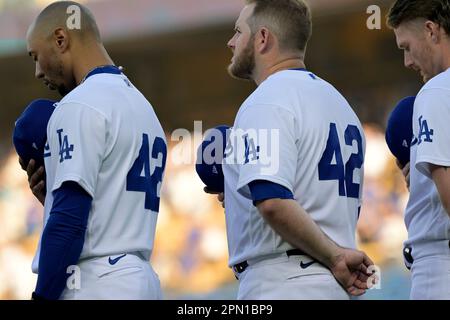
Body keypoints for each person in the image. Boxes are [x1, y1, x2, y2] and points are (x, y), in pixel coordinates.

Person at [206, 0, 374, 299]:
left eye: (238, 32)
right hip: (333, 281)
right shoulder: (339, 103)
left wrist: (334, 257)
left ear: (262, 38)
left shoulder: (268, 99)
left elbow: (272, 200)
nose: (231, 42)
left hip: (285, 281)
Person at [23, 1, 167, 299]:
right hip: (138, 278)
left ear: (61, 39)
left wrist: (42, 296)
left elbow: (69, 220)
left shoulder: (78, 104)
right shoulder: (143, 105)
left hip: (96, 281)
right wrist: (49, 200)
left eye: (36, 56)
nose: (38, 71)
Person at [387, 0, 450, 299]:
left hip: (440, 266)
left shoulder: (436, 90)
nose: (407, 61)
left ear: (431, 30)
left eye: (406, 47)